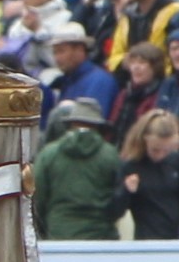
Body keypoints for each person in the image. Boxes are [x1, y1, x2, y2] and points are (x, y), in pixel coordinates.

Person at [30, 97, 123, 238]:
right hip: (100, 237)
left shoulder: (48, 154)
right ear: (97, 126)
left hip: (58, 234)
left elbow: (37, 198)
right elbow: (117, 201)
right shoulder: (110, 155)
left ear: (71, 123)